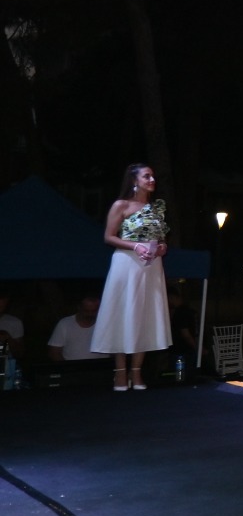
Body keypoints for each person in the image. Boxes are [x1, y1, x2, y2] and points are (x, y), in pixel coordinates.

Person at [92, 163, 171, 391]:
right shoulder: (122, 205)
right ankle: (119, 371)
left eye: (153, 176)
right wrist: (135, 246)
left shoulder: (156, 207)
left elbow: (161, 238)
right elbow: (109, 236)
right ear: (135, 181)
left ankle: (136, 371)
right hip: (127, 262)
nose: (152, 180)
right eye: (147, 176)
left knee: (145, 314)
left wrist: (162, 247)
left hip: (151, 266)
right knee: (123, 312)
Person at [49, 294, 101, 363]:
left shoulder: (105, 324)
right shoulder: (65, 324)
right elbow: (55, 352)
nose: (90, 314)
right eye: (86, 311)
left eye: (93, 311)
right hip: (73, 368)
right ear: (79, 308)